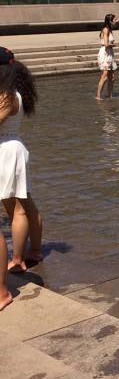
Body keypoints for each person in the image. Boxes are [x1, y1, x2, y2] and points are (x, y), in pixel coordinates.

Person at [0, 48, 43, 274]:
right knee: (26, 204)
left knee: (15, 208)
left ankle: (17, 259)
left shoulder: (6, 95)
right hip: (12, 147)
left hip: (7, 150)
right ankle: (34, 250)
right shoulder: (12, 91)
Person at [96, 13, 117, 100]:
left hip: (109, 54)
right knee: (104, 76)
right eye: (115, 20)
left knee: (112, 77)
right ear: (110, 21)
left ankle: (109, 95)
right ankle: (98, 96)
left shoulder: (109, 29)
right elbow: (105, 44)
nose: (116, 21)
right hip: (105, 54)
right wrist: (113, 45)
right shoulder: (105, 30)